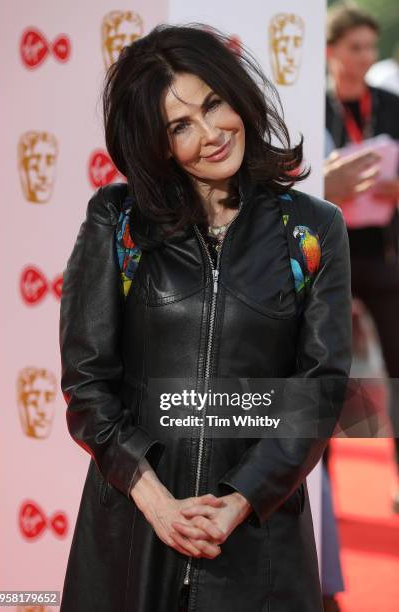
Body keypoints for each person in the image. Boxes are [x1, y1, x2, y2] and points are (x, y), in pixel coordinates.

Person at [59, 23, 352, 611]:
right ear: (157, 143)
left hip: (258, 538)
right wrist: (158, 502)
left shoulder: (313, 229)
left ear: (237, 94)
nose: (211, 134)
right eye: (180, 126)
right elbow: (88, 385)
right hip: (135, 532)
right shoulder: (116, 223)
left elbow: (319, 390)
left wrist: (239, 501)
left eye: (214, 104)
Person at [326, 3, 399, 513]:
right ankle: (318, 491)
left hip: (385, 254)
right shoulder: (309, 103)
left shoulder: (392, 104)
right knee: (324, 378)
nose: (366, 57)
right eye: (355, 47)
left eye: (371, 47)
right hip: (329, 258)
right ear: (330, 52)